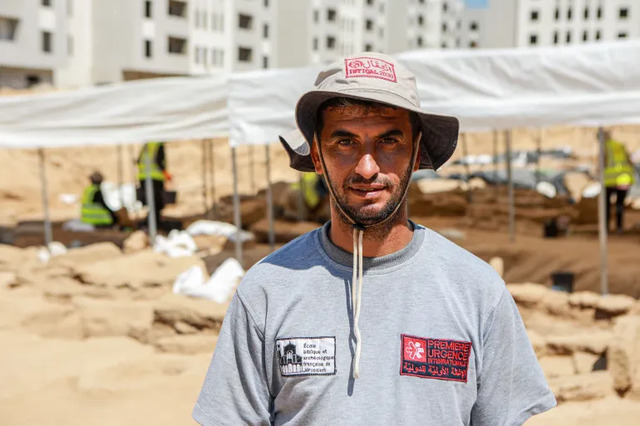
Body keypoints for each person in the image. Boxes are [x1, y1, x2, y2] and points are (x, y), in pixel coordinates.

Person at [193, 53, 556, 425]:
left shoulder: (477, 292)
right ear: (317, 156)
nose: (368, 168)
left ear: (416, 153)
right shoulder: (267, 291)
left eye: (389, 140)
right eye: (345, 142)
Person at [603, 130, 636, 234]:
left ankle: (606, 228)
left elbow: (603, 162)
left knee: (606, 205)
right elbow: (630, 162)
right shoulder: (621, 145)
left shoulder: (604, 147)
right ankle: (619, 228)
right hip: (623, 180)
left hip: (610, 181)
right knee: (619, 205)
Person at [137, 141, 170, 227]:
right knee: (156, 202)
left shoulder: (147, 144)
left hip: (143, 177)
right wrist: (166, 173)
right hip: (154, 178)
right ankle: (154, 223)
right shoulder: (158, 144)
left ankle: (150, 222)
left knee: (150, 201)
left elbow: (139, 160)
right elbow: (159, 160)